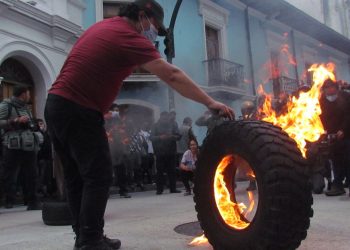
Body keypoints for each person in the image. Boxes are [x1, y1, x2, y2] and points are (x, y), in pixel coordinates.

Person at [44, 0, 234, 249]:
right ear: (143, 16)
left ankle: (86, 236)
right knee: (98, 176)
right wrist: (210, 102)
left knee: (77, 177)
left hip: (56, 105)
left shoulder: (104, 26)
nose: (154, 32)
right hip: (79, 108)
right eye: (155, 25)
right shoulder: (129, 35)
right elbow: (172, 75)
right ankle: (90, 241)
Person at [0, 86, 42, 210]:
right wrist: (16, 120)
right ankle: (8, 200)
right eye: (28, 94)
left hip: (28, 144)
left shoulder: (26, 107)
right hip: (12, 145)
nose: (29, 96)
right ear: (23, 94)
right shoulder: (6, 105)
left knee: (32, 173)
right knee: (9, 174)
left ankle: (32, 201)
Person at [319, 79, 350, 196]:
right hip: (332, 136)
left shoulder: (346, 97)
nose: (329, 90)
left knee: (348, 159)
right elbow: (321, 117)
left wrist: (343, 130)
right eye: (326, 88)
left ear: (336, 88)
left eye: (331, 87)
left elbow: (348, 115)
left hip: (347, 134)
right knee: (336, 160)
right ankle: (337, 185)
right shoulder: (321, 100)